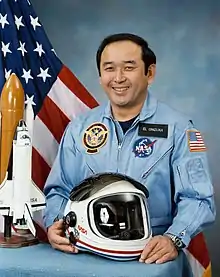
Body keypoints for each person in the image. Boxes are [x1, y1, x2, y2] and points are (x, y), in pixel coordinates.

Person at [43, 33, 216, 264]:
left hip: (149, 255)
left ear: (149, 73)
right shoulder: (79, 129)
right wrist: (57, 223)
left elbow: (197, 198)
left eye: (129, 67)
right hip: (86, 255)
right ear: (100, 75)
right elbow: (59, 190)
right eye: (109, 68)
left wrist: (173, 238)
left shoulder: (179, 129)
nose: (118, 78)